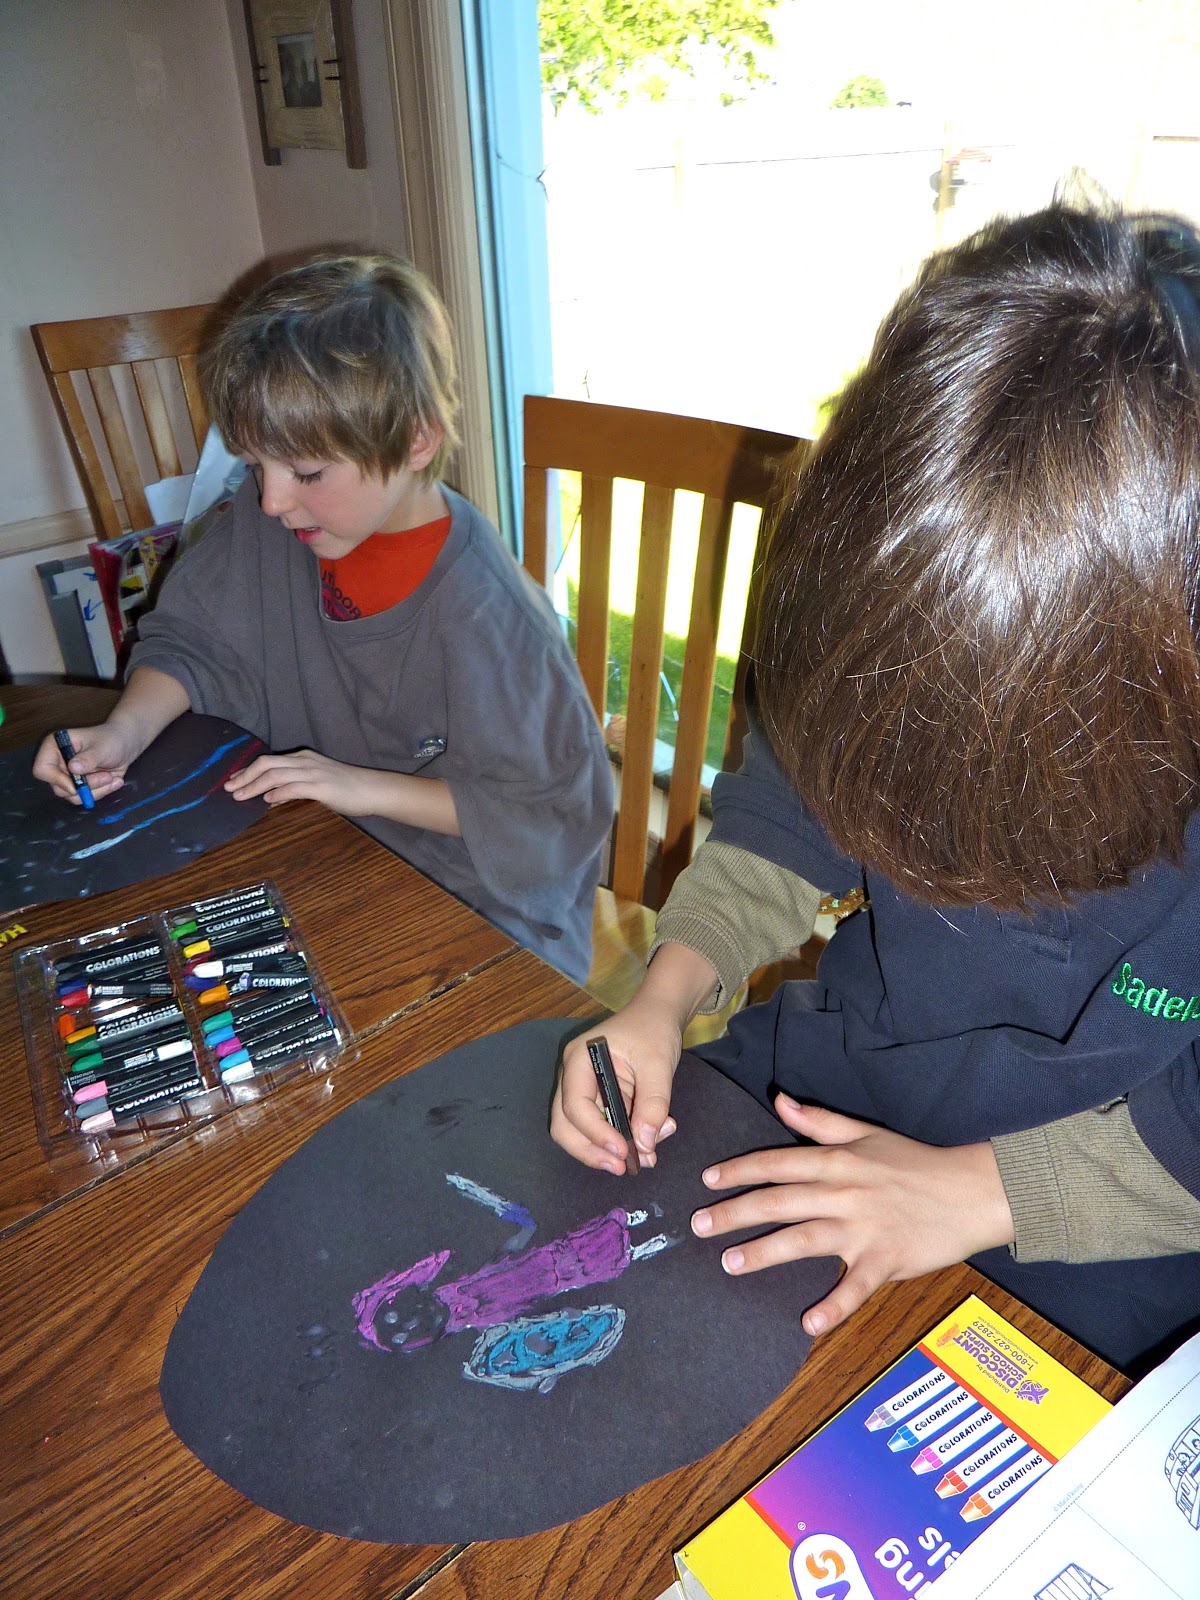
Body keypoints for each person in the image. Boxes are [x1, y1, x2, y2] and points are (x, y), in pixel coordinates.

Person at [552, 203, 1200, 1373]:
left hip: (1109, 1226)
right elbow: (783, 814)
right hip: (839, 1093)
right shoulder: (888, 614)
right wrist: (664, 993)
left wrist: (968, 1193)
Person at [34, 254, 612, 983]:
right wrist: (124, 731)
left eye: (306, 473)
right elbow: (193, 641)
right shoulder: (273, 521)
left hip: (480, 924)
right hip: (324, 857)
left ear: (414, 440)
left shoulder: (492, 621)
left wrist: (358, 784)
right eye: (255, 466)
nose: (272, 500)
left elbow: (554, 820)